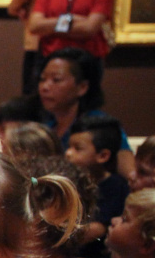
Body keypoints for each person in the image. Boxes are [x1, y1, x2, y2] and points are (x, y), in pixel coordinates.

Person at [36, 47, 134, 178]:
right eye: (42, 79)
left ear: (82, 87)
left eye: (56, 80)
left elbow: (130, 175)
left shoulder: (100, 125)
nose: (45, 87)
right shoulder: (45, 127)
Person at [66, 115, 130, 258]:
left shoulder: (115, 186)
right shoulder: (71, 182)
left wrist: (55, 240)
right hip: (71, 251)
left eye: (77, 148)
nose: (68, 153)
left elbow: (97, 229)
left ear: (103, 156)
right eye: (69, 146)